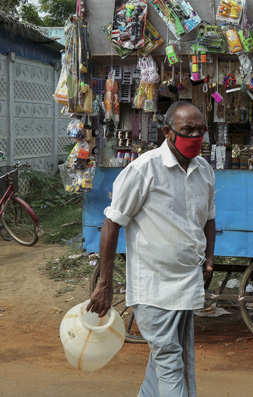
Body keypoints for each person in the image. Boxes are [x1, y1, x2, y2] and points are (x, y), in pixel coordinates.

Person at [87, 101, 216, 397]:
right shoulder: (144, 169)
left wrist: (208, 260)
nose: (195, 135)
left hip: (186, 283)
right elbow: (112, 223)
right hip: (152, 287)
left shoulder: (204, 170)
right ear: (167, 132)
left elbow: (209, 217)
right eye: (187, 130)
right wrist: (105, 283)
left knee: (168, 362)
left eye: (200, 130)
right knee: (171, 361)